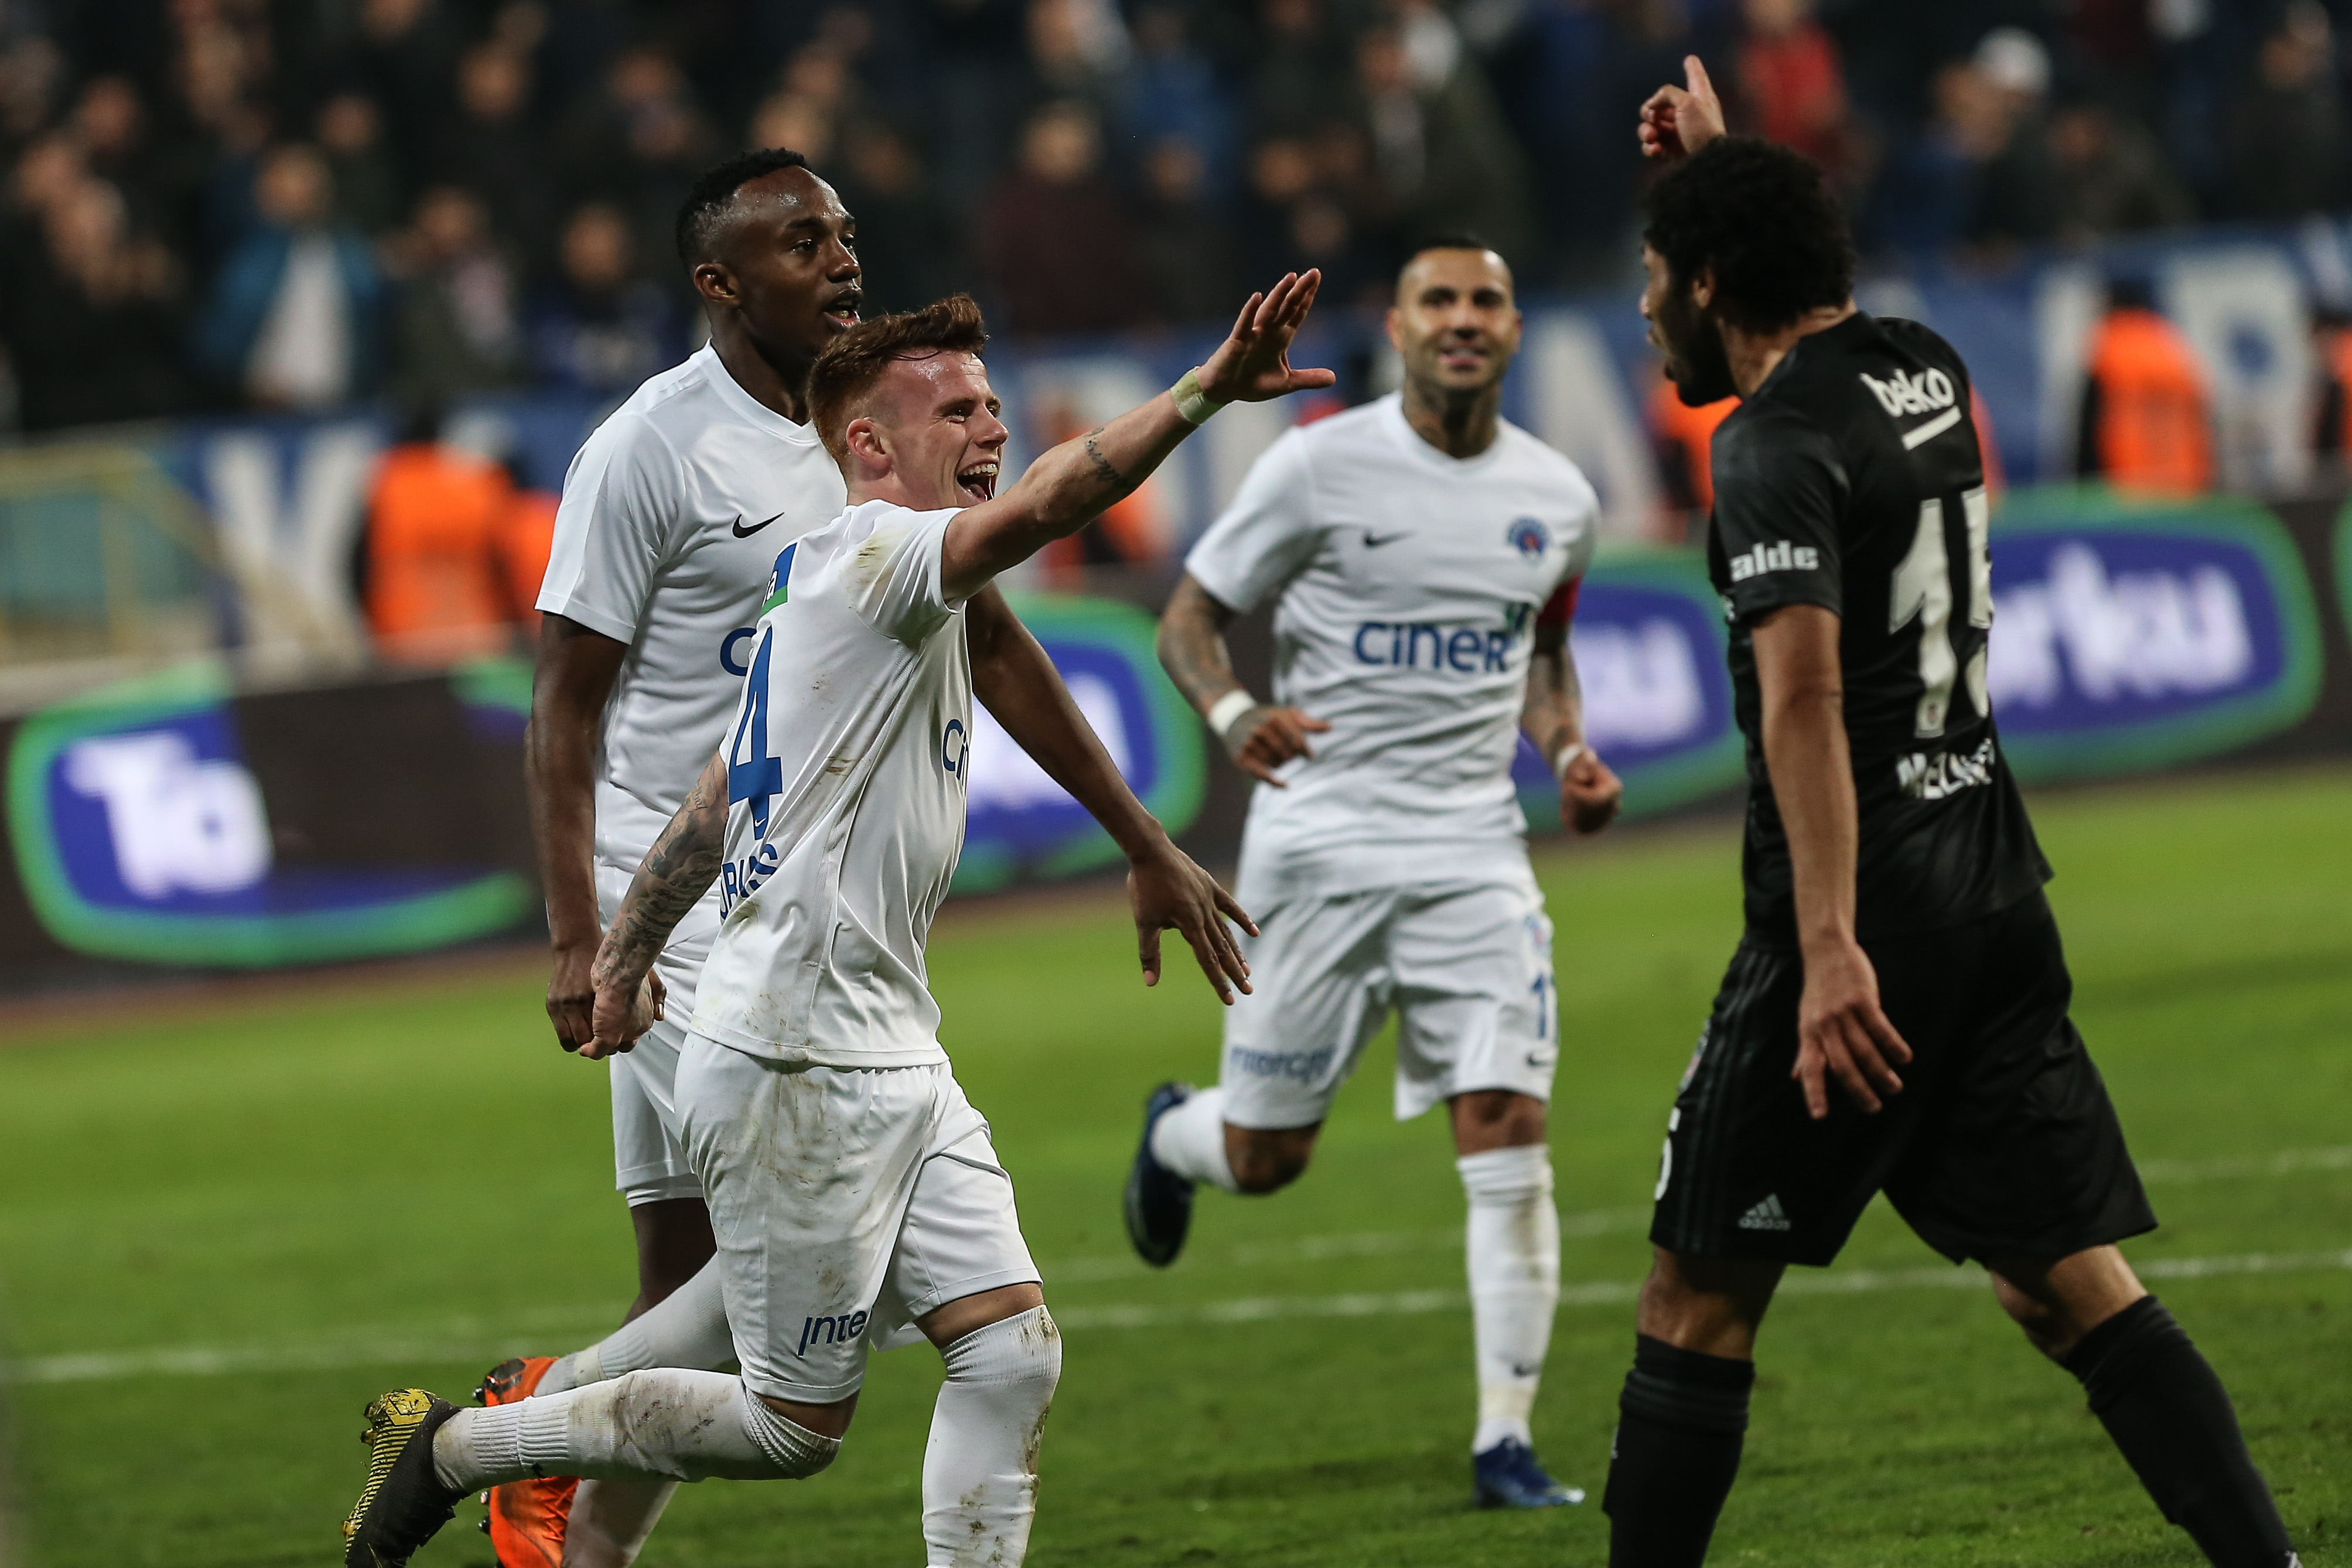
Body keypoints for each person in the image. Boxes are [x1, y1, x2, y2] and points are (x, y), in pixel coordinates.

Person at [337, 274, 1333, 1568]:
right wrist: (1202, 391)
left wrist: (627, 954)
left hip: (886, 1043)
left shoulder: (818, 580)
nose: (992, 429)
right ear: (867, 445)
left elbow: (719, 798)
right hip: (797, 1056)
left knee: (1010, 1351)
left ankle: (526, 1454)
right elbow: (1055, 501)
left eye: (992, 405)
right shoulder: (881, 556)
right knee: (790, 1426)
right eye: (957, 412)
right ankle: (464, 1449)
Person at [1607, 59, 2301, 1568]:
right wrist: (1727, 174)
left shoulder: (1765, 446)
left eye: (1659, 275)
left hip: (1861, 932)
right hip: (1990, 888)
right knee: (2062, 1283)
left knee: (1694, 1302)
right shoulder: (1919, 365)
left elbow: (1802, 699)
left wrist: (1826, 947)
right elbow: (1810, 290)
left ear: (1709, 279)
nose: (1646, 311)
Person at [1122, 237, 1623, 1511]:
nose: (1463, 318)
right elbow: (1189, 620)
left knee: (1507, 1126)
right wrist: (1237, 714)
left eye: (1486, 300)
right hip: (1321, 847)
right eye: (1437, 300)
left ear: (1514, 329)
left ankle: (1505, 1439)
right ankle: (1177, 1134)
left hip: (1474, 855)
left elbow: (1540, 653)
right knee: (1266, 1154)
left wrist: (1566, 749)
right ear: (1397, 329)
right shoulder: (1317, 466)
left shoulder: (1558, 496)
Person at [482, 146, 865, 1568]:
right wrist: (581, 937)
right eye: (803, 242)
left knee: (686, 1268)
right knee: (812, 1236)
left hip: (799, 891)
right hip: (670, 900)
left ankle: (580, 1540)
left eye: (844, 233)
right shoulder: (648, 447)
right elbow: (563, 705)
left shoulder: (868, 425)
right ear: (721, 283)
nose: (842, 260)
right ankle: (532, 1418)